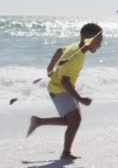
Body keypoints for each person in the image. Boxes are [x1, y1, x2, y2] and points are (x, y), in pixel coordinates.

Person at [26, 23, 103, 160]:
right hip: (59, 89)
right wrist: (80, 99)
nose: (100, 44)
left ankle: (39, 122)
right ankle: (65, 152)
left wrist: (50, 68)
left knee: (73, 120)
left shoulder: (77, 48)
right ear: (88, 38)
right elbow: (65, 82)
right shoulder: (75, 57)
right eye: (99, 40)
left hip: (61, 88)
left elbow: (60, 50)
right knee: (74, 120)